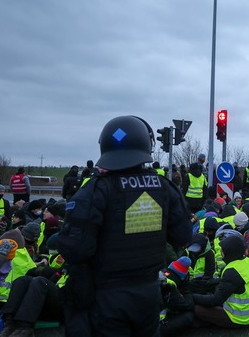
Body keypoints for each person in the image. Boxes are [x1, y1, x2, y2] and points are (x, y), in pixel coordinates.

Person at [57, 115, 193, 336]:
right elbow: (182, 236)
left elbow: (75, 249)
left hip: (107, 297)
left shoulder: (95, 190)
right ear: (146, 145)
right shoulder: (164, 187)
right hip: (149, 295)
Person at [193, 235, 249, 328]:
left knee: (196, 308)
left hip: (240, 318)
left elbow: (215, 300)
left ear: (230, 252)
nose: (220, 252)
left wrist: (191, 297)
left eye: (223, 250)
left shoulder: (232, 271)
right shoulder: (247, 261)